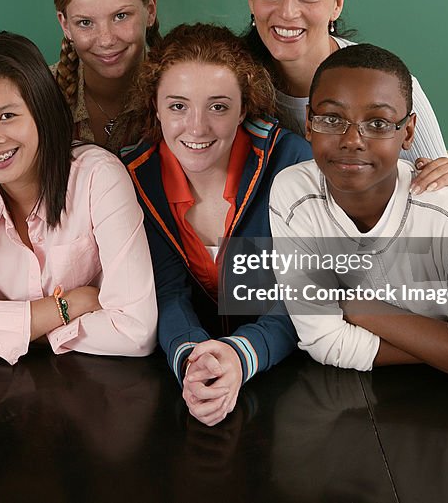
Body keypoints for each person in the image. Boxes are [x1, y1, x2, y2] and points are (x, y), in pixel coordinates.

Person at [268, 44, 448, 388]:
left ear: (407, 133)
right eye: (332, 119)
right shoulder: (293, 194)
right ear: (309, 123)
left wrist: (357, 308)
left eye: (378, 123)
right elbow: (322, 341)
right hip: (372, 392)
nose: (352, 140)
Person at [120, 23, 312, 426]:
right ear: (155, 106)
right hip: (192, 370)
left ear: (244, 108)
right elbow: (168, 292)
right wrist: (193, 357)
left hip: (291, 373)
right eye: (177, 106)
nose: (196, 127)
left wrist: (242, 355)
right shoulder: (137, 178)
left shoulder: (291, 163)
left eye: (218, 107)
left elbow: (304, 292)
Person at [0, 31, 157, 364]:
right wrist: (68, 306)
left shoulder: (98, 177)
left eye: (7, 116)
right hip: (2, 400)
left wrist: (14, 332)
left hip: (102, 392)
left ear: (41, 109)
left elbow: (136, 332)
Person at [245, 0, 448, 194]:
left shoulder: (386, 84)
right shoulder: (229, 83)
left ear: (337, 2)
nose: (287, 11)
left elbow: (441, 190)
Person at [52, 0, 160, 147]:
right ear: (65, 24)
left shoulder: (183, 94)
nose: (106, 40)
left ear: (151, 11)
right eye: (85, 22)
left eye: (121, 16)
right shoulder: (38, 95)